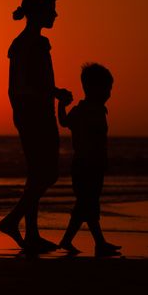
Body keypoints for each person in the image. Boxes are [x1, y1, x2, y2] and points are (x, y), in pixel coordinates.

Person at [0, 0, 72, 253]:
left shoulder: (23, 43)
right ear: (38, 12)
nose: (55, 14)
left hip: (30, 113)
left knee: (37, 174)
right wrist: (54, 94)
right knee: (48, 174)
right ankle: (12, 220)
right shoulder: (32, 44)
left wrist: (53, 93)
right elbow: (29, 85)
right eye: (51, 10)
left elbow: (26, 85)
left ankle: (32, 234)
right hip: (36, 114)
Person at [57, 63, 121, 257]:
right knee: (88, 204)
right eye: (106, 88)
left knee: (86, 204)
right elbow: (65, 122)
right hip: (84, 165)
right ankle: (97, 242)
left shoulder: (100, 110)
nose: (109, 93)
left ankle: (69, 240)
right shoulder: (83, 110)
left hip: (95, 165)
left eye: (109, 89)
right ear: (92, 88)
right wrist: (61, 104)